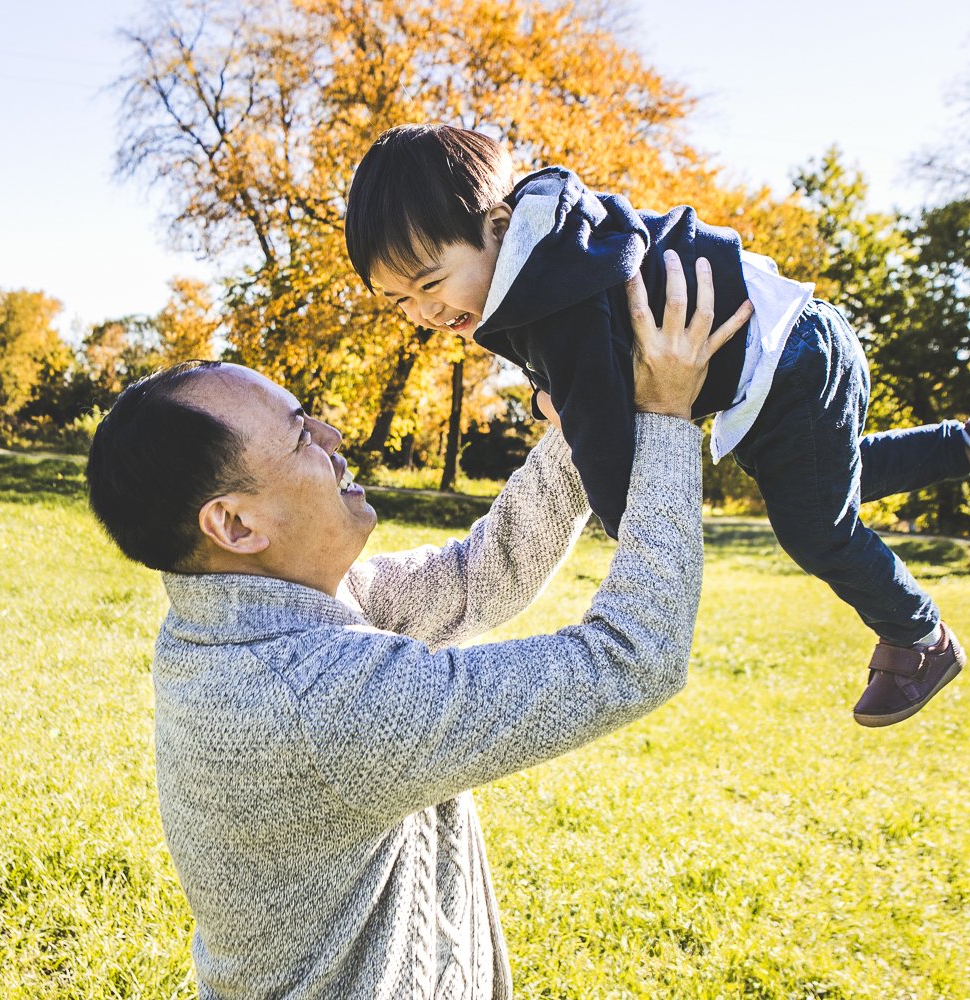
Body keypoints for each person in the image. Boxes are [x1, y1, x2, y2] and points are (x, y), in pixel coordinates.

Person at [84, 260, 751, 998]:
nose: (333, 435)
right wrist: (665, 419)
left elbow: (482, 576)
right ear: (236, 525)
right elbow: (632, 657)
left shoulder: (255, 614)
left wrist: (582, 419)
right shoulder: (311, 698)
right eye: (300, 437)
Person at [344, 122, 970, 728]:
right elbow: (594, 370)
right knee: (824, 485)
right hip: (790, 348)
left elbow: (604, 440)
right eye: (399, 301)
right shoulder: (556, 245)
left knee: (815, 529)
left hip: (784, 359)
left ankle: (919, 636)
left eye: (431, 283)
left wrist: (639, 531)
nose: (424, 312)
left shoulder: (552, 297)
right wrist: (557, 394)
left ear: (499, 226)